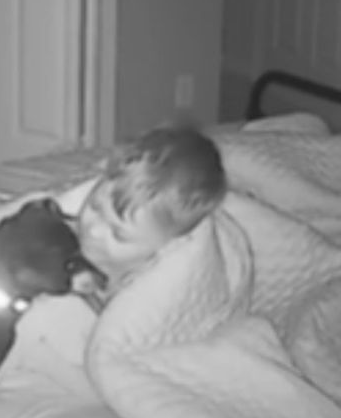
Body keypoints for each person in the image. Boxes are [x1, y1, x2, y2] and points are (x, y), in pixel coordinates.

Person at [74, 123, 227, 311]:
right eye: (95, 207)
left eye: (118, 234)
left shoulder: (146, 292)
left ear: (166, 247)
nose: (93, 230)